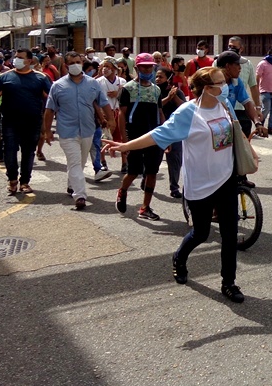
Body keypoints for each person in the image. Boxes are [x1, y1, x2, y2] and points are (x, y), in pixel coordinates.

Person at [104, 67, 246, 303]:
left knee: (230, 234)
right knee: (201, 233)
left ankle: (228, 282)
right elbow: (158, 134)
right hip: (200, 183)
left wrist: (249, 153)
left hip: (226, 179)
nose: (226, 86)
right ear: (206, 89)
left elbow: (235, 132)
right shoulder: (188, 113)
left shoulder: (224, 105)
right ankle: (179, 258)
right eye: (220, 83)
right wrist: (125, 146)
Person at [43, 52, 112, 210]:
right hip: (67, 132)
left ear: (82, 63)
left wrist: (110, 120)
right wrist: (47, 131)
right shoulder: (57, 86)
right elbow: (49, 110)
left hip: (87, 130)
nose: (75, 64)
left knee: (79, 163)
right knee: (74, 161)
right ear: (66, 65)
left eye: (78, 62)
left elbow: (103, 102)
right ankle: (80, 195)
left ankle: (71, 185)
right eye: (72, 62)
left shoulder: (92, 84)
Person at [0, 48, 52, 195]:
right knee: (9, 150)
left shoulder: (41, 78)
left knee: (28, 152)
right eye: (16, 57)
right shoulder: (4, 77)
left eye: (20, 57)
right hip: (10, 122)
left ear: (29, 61)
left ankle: (25, 182)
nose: (17, 60)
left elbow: (51, 99)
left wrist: (47, 125)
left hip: (32, 122)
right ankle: (12, 180)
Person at [115, 53, 165, 220]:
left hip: (154, 136)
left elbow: (160, 112)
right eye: (144, 66)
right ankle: (122, 191)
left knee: (151, 172)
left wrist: (167, 135)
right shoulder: (128, 88)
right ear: (136, 68)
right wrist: (124, 140)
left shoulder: (156, 89)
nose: (147, 69)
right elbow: (122, 114)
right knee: (133, 171)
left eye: (150, 66)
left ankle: (145, 207)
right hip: (135, 136)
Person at [156, 66, 184, 198]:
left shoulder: (176, 91)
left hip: (174, 131)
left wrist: (174, 96)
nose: (157, 79)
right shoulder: (153, 90)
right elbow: (155, 106)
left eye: (161, 77)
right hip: (158, 129)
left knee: (175, 160)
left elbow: (184, 107)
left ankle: (174, 187)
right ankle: (146, 180)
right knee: (154, 159)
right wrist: (167, 98)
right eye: (156, 76)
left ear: (168, 78)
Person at [226, 36, 261, 138]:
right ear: (227, 66)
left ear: (241, 48)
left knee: (243, 145)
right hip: (221, 118)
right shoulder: (216, 85)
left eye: (234, 46)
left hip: (241, 111)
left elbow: (249, 95)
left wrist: (257, 122)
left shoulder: (238, 83)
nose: (239, 68)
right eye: (229, 46)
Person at [96, 58, 127, 174]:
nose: (105, 69)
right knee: (104, 138)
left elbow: (127, 97)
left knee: (122, 138)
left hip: (119, 112)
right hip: (105, 113)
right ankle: (103, 162)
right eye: (103, 66)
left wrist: (117, 94)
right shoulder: (99, 81)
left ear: (114, 68)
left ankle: (124, 162)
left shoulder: (122, 81)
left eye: (108, 66)